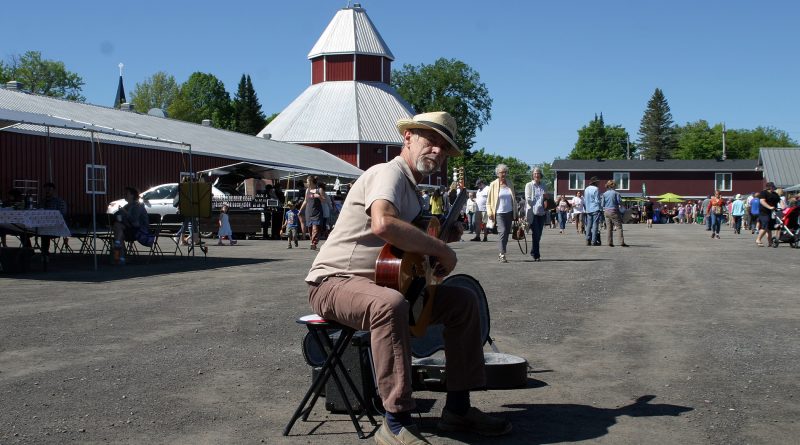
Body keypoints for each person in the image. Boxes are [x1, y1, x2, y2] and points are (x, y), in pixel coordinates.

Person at [304, 111, 512, 444]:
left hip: (380, 282)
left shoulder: (413, 193)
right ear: (409, 138)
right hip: (334, 282)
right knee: (390, 305)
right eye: (432, 142)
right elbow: (383, 224)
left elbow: (401, 252)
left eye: (445, 148)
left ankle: (458, 408)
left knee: (463, 301)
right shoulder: (390, 173)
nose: (438, 152)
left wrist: (442, 240)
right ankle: (396, 421)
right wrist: (442, 251)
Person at [486, 163, 518, 263]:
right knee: (503, 231)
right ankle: (502, 253)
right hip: (498, 212)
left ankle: (502, 251)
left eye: (505, 172)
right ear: (497, 174)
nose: (503, 174)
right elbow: (489, 201)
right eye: (501, 172)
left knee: (507, 233)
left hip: (509, 212)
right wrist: (490, 212)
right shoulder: (493, 184)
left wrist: (516, 213)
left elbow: (514, 199)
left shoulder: (510, 183)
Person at [112, 187, 148, 265]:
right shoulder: (126, 206)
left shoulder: (138, 206)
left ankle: (119, 255)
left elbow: (134, 220)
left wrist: (125, 213)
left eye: (127, 193)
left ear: (132, 195)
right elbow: (116, 216)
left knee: (118, 230)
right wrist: (119, 214)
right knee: (118, 230)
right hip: (129, 229)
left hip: (138, 231)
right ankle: (121, 255)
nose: (125, 195)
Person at [38, 182, 68, 258]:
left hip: (55, 227)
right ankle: (29, 251)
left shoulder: (59, 202)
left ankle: (45, 254)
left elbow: (62, 214)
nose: (47, 191)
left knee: (45, 233)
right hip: (41, 225)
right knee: (23, 233)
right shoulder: (42, 201)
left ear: (53, 191)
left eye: (49, 189)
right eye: (46, 189)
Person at [524, 167, 548, 261]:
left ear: (540, 175)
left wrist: (546, 200)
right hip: (532, 212)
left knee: (539, 234)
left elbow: (546, 198)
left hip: (542, 212)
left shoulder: (544, 185)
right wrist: (535, 201)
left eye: (538, 173)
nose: (537, 175)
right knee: (536, 233)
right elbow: (528, 198)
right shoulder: (529, 185)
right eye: (535, 173)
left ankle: (533, 251)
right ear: (532, 175)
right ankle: (536, 255)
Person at [298, 175, 326, 250]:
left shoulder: (319, 190)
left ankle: (313, 243)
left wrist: (319, 196)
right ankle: (313, 241)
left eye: (307, 181)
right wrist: (300, 210)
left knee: (315, 229)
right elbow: (305, 201)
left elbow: (324, 200)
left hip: (317, 212)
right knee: (310, 229)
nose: (306, 183)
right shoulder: (307, 190)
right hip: (309, 212)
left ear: (311, 181)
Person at [602, 180, 628, 247]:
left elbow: (602, 204)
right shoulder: (617, 193)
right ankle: (621, 242)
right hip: (614, 211)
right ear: (613, 185)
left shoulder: (604, 194)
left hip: (606, 211)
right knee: (619, 227)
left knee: (609, 228)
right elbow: (619, 202)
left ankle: (609, 242)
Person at [755, 182, 780, 247]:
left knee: (769, 228)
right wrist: (769, 207)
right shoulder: (763, 193)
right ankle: (758, 239)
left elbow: (779, 201)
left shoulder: (775, 194)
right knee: (765, 226)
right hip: (764, 212)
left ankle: (770, 242)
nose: (774, 188)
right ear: (769, 187)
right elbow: (762, 201)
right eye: (772, 187)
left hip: (772, 212)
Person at [584, 177, 602, 246]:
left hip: (588, 209)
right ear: (595, 182)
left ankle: (587, 240)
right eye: (598, 182)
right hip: (595, 208)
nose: (599, 183)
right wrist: (601, 208)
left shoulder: (586, 189)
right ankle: (593, 241)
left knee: (588, 225)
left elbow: (585, 200)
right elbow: (597, 200)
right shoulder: (596, 189)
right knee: (595, 225)